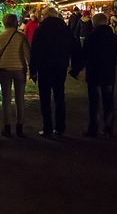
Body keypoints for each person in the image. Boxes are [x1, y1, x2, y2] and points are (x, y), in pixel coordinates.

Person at [30, 7, 82, 138]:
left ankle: (47, 128)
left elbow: (35, 51)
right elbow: (75, 48)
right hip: (60, 66)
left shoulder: (40, 29)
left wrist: (33, 70)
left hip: (44, 67)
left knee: (45, 98)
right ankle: (60, 127)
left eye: (42, 15)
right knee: (59, 96)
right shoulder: (65, 29)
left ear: (46, 15)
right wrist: (75, 68)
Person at [76, 13, 117, 137]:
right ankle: (108, 127)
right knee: (108, 100)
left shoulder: (90, 38)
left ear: (94, 23)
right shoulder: (113, 38)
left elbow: (83, 55)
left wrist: (77, 69)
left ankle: (94, 128)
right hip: (108, 73)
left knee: (94, 102)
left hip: (93, 73)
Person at [0, 13, 30, 137]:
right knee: (20, 99)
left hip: (4, 70)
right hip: (19, 70)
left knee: (6, 99)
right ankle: (20, 127)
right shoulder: (21, 37)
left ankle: (7, 127)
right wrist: (31, 70)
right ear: (16, 23)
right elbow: (27, 55)